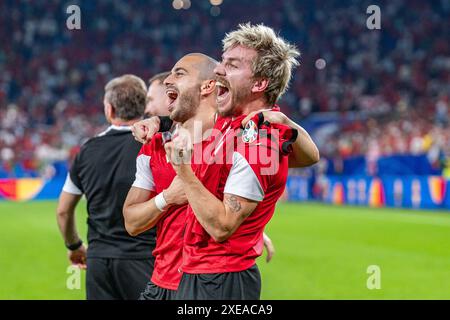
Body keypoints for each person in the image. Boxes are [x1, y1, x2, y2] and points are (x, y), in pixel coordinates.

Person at [162, 23, 315, 299]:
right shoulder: (233, 123)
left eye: (231, 65)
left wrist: (183, 171)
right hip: (203, 273)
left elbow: (222, 226)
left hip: (220, 281)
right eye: (222, 61)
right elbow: (310, 155)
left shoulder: (259, 142)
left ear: (259, 83)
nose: (219, 69)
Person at [124, 54, 276, 300]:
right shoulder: (154, 146)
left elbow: (305, 156)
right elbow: (131, 222)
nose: (168, 80)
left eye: (179, 73)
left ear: (207, 86)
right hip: (162, 283)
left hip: (212, 286)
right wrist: (167, 198)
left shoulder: (234, 140)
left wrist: (254, 230)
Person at [56, 74, 156, 300]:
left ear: (109, 110)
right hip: (145, 259)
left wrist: (74, 246)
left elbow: (63, 210)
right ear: (145, 107)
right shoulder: (155, 144)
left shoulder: (87, 150)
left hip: (99, 262)